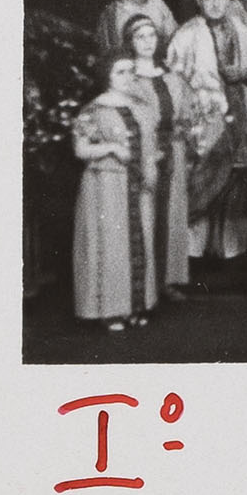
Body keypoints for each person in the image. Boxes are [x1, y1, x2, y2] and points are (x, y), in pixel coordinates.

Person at [167, 0, 247, 262]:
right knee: (205, 174)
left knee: (236, 175)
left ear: (228, 0)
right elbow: (174, 80)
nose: (215, 4)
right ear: (199, 0)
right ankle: (191, 251)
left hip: (237, 110)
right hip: (202, 117)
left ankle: (226, 248)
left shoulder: (239, 28)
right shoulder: (186, 34)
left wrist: (244, 74)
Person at [69, 55, 153, 330]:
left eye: (130, 71)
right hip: (105, 185)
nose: (128, 77)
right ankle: (111, 311)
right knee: (112, 246)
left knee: (138, 241)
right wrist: (112, 148)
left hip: (137, 184)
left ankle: (135, 306)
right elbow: (80, 150)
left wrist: (149, 170)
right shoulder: (93, 110)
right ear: (107, 75)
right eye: (120, 72)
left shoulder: (141, 107)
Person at [115, 17, 191, 303]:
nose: (147, 42)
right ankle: (144, 283)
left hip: (174, 150)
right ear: (130, 42)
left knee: (172, 214)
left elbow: (186, 112)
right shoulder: (127, 78)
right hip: (143, 152)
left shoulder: (171, 76)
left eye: (152, 36)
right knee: (145, 213)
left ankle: (168, 279)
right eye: (140, 37)